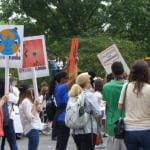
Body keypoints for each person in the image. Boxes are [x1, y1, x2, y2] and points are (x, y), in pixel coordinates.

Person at [118, 60, 150, 150]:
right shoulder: (149, 88)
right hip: (147, 129)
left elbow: (120, 107)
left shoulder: (126, 86)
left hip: (129, 130)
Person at [72, 73, 101, 150]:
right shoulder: (89, 95)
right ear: (87, 83)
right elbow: (98, 113)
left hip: (76, 131)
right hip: (88, 130)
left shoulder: (73, 95)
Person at [102, 61, 127, 150]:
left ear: (112, 72)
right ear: (123, 71)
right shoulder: (129, 86)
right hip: (127, 122)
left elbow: (106, 103)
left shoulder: (106, 87)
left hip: (112, 123)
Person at [48, 71, 74, 150]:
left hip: (62, 117)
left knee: (60, 144)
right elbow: (74, 80)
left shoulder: (59, 87)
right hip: (62, 118)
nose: (68, 80)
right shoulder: (61, 87)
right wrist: (75, 64)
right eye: (67, 78)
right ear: (61, 79)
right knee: (62, 145)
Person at [19, 85, 43, 150]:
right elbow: (30, 117)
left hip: (33, 128)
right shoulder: (26, 101)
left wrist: (38, 104)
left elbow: (40, 110)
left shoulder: (29, 101)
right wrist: (35, 105)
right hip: (31, 128)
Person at [1, 77, 19, 150]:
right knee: (12, 142)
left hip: (1, 122)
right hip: (8, 121)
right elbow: (17, 100)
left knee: (2, 142)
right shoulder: (8, 95)